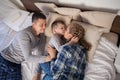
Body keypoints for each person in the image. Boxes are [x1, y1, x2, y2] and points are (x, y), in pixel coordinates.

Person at [0, 12, 47, 80]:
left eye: (45, 24)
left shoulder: (42, 35)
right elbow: (28, 58)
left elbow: (40, 54)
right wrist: (47, 58)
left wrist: (36, 74)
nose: (44, 27)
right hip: (5, 59)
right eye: (41, 25)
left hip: (16, 64)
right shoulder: (24, 34)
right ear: (33, 25)